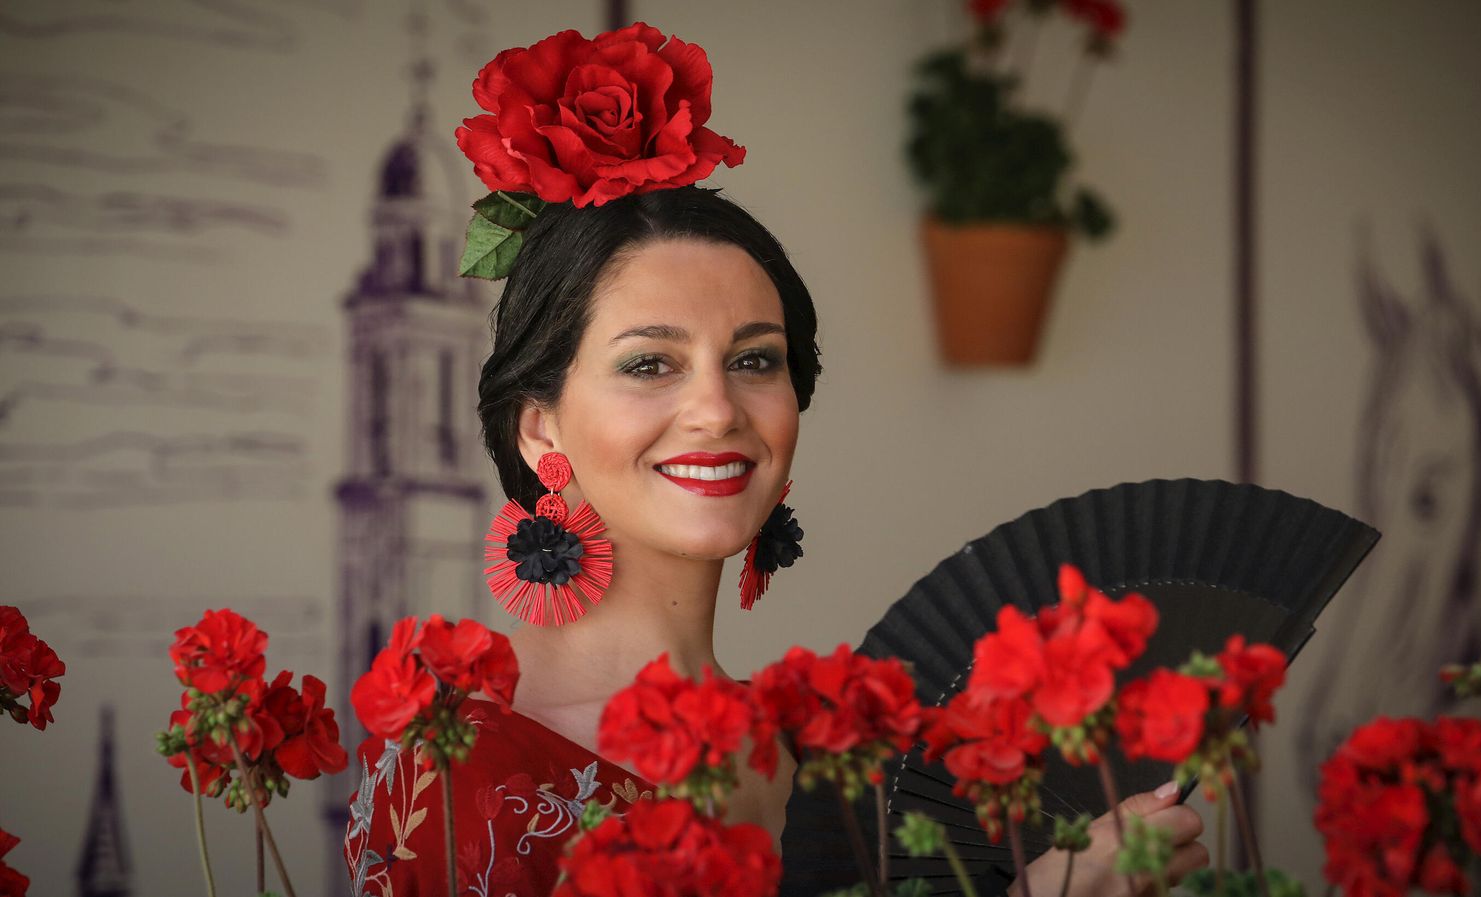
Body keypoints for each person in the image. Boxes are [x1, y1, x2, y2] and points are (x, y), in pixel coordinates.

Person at [344, 24, 1205, 897]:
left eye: (755, 359)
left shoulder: (830, 749)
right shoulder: (457, 770)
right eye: (650, 364)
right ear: (539, 430)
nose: (718, 408)